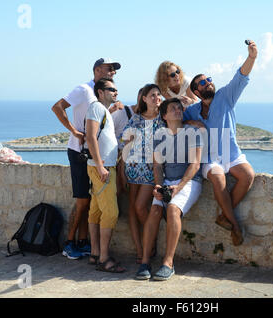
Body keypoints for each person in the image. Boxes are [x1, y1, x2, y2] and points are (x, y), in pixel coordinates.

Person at [183, 40, 258, 246]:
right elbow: (175, 123)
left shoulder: (225, 96)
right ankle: (235, 226)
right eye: (202, 82)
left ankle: (225, 216)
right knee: (218, 179)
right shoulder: (191, 111)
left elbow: (241, 77)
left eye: (209, 79)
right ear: (196, 92)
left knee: (248, 175)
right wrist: (191, 121)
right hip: (209, 158)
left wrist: (251, 57)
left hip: (231, 153)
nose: (208, 83)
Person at [51, 57, 121, 259]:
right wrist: (74, 131)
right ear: (97, 69)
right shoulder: (83, 89)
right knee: (82, 200)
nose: (113, 72)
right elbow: (57, 107)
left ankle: (83, 243)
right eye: (110, 69)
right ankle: (69, 243)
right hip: (79, 153)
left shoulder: (103, 94)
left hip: (93, 156)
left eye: (114, 70)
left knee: (91, 202)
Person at [135, 98, 203, 281]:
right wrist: (158, 186)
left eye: (179, 107)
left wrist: (178, 187)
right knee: (155, 210)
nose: (178, 110)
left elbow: (195, 165)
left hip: (189, 181)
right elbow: (157, 166)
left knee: (173, 209)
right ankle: (145, 261)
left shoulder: (193, 132)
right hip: (166, 181)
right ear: (164, 116)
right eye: (173, 108)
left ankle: (168, 263)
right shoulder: (160, 136)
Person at [119, 84, 165, 264]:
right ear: (144, 99)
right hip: (132, 168)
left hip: (151, 171)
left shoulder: (164, 118)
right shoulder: (136, 119)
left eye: (158, 94)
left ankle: (150, 243)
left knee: (139, 207)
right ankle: (140, 249)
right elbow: (126, 145)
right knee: (132, 210)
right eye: (152, 95)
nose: (156, 97)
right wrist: (122, 169)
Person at [84, 78, 126, 273]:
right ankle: (104, 258)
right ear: (100, 92)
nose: (115, 92)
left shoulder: (102, 111)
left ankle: (94, 253)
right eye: (111, 89)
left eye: (116, 90)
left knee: (96, 211)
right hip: (102, 168)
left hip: (101, 166)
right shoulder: (95, 107)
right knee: (111, 213)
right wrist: (101, 166)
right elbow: (90, 136)